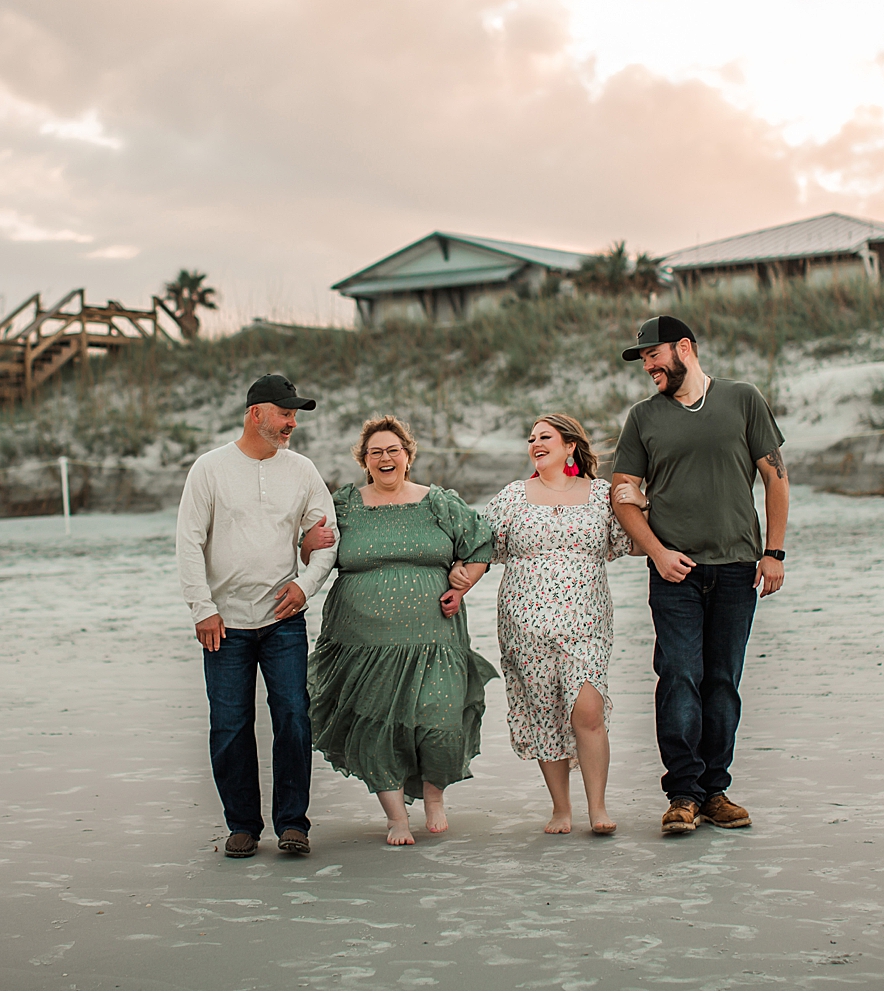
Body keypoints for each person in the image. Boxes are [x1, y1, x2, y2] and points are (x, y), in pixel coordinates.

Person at [609, 315, 788, 837]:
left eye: (653, 355)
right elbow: (623, 495)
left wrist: (773, 552)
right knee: (679, 677)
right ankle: (683, 794)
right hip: (675, 573)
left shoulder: (743, 399)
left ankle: (716, 791)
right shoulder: (642, 418)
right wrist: (658, 553)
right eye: (643, 359)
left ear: (684, 348)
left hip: (736, 569)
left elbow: (775, 477)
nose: (647, 366)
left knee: (722, 682)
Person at [307, 415, 497, 846]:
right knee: (378, 726)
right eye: (376, 452)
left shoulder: (438, 503)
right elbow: (311, 548)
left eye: (394, 450)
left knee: (438, 720)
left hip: (434, 639)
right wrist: (305, 546)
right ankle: (395, 818)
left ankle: (434, 798)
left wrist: (466, 581)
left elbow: (481, 543)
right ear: (365, 461)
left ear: (408, 457)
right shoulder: (344, 506)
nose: (385, 457)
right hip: (361, 643)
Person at [176, 374, 338, 859]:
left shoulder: (302, 470)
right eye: (285, 413)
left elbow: (326, 539)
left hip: (282, 619)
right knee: (229, 724)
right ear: (256, 414)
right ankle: (242, 824)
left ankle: (293, 824)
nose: (292, 423)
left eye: (295, 415)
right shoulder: (210, 469)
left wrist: (304, 585)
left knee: (293, 716)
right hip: (223, 623)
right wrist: (202, 608)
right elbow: (189, 542)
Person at [469, 413, 632, 836]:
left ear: (570, 446)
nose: (535, 443)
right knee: (545, 712)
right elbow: (478, 546)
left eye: (545, 436)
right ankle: (561, 808)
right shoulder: (513, 496)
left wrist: (642, 501)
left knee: (587, 709)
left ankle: (597, 806)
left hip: (587, 621)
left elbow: (630, 541)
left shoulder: (601, 494)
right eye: (531, 438)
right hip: (524, 624)